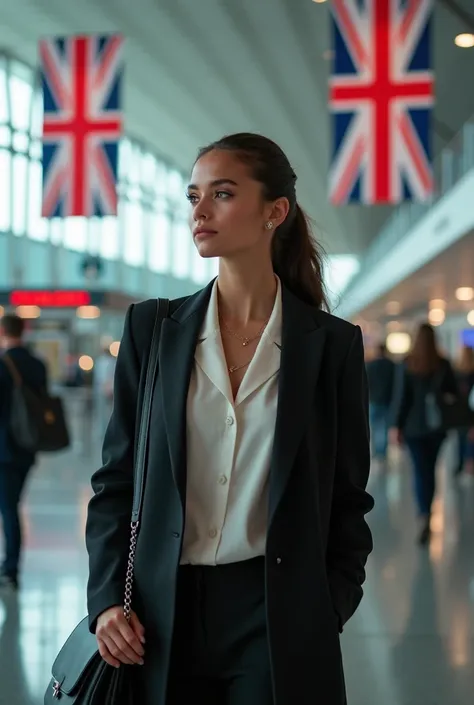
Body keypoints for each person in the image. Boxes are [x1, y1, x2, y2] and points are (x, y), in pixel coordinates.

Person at [85, 133, 374, 705]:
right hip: (157, 613)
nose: (199, 211)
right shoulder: (153, 331)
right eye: (194, 195)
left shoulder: (331, 346)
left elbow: (347, 497)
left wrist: (329, 606)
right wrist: (104, 602)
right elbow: (117, 480)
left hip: (276, 611)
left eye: (221, 193)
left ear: (275, 212)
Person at [391, 323, 458, 545]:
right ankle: (427, 510)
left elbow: (402, 399)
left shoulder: (408, 364)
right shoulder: (444, 364)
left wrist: (396, 426)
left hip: (414, 428)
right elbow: (454, 394)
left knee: (421, 471)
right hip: (437, 428)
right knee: (430, 469)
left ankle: (424, 514)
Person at [0, 314, 47, 589]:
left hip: (4, 448)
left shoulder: (3, 364)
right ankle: (10, 565)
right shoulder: (37, 364)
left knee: (8, 508)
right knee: (11, 505)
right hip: (27, 447)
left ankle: (11, 568)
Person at [366, 342, 395, 463]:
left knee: (374, 427)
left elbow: (366, 382)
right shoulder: (392, 366)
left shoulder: (370, 365)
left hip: (373, 400)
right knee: (384, 427)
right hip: (387, 400)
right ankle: (382, 452)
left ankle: (377, 452)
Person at [454, 344, 474, 476]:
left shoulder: (457, 372)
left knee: (460, 439)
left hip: (460, 412)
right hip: (471, 411)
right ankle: (469, 463)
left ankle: (460, 464)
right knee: (470, 439)